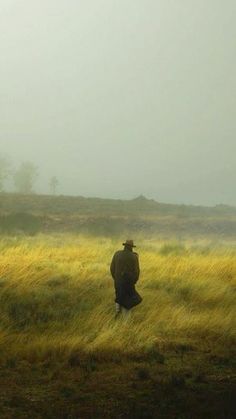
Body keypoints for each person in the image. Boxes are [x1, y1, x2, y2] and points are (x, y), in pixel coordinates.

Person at [110, 239, 142, 317]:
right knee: (128, 301)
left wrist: (116, 278)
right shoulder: (134, 256)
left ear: (125, 246)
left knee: (119, 295)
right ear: (131, 247)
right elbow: (137, 271)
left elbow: (112, 268)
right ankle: (126, 322)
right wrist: (134, 281)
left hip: (118, 281)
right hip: (129, 282)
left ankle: (117, 312)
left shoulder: (117, 254)